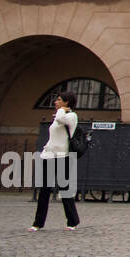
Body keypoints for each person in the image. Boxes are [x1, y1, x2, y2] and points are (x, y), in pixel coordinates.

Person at [31, 92, 81, 231]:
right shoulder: (59, 116)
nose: (55, 102)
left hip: (62, 157)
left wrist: (61, 110)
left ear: (67, 102)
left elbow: (60, 120)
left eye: (59, 100)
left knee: (64, 190)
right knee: (44, 190)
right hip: (49, 156)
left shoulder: (71, 116)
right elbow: (53, 137)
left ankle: (72, 222)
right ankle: (37, 223)